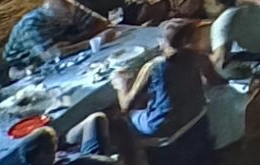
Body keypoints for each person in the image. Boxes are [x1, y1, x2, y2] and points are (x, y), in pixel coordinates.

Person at [90, 19, 221, 162]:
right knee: (147, 101)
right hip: (195, 113)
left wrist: (121, 86)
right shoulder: (199, 57)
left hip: (162, 124)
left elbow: (126, 106)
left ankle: (133, 160)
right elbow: (214, 81)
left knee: (117, 117)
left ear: (162, 41)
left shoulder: (155, 66)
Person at [4, 0, 109, 68]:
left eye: (71, 16)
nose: (71, 21)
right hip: (24, 65)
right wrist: (93, 42)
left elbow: (101, 23)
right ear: (50, 17)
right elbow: (51, 55)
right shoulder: (30, 26)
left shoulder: (67, 9)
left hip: (57, 52)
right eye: (64, 19)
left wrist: (73, 42)